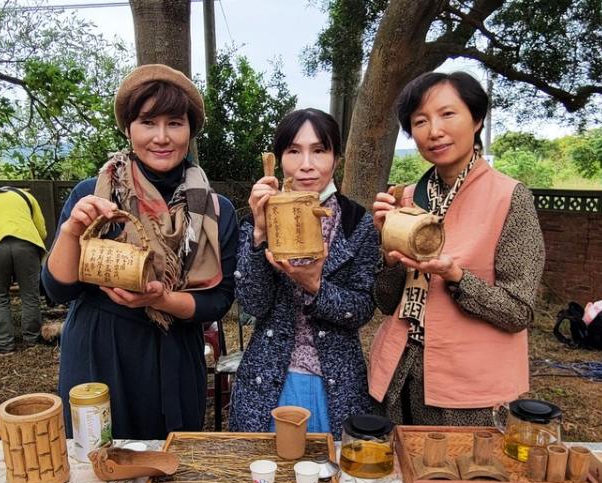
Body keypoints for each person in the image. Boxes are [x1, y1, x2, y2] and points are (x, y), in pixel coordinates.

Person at [41, 64, 237, 439]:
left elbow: (218, 300)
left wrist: (163, 300)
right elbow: (57, 289)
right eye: (148, 122)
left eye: (175, 123)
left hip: (176, 353)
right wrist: (71, 231)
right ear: (128, 128)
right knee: (98, 466)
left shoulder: (215, 211)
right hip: (100, 352)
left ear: (191, 130)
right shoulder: (93, 196)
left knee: (169, 470)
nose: (161, 137)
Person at [368, 71, 545, 426]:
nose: (434, 131)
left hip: (468, 391)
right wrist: (390, 259)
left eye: (448, 114)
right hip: (398, 375)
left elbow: (518, 312)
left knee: (455, 477)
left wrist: (456, 276)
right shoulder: (406, 198)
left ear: (477, 119)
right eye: (420, 121)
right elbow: (387, 303)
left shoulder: (509, 197)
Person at [230, 108, 379, 438]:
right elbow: (253, 304)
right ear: (280, 158)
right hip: (269, 378)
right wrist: (258, 231)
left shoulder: (358, 223)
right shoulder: (261, 216)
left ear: (336, 160)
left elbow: (363, 308)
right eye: (294, 151)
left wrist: (315, 286)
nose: (306, 164)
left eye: (319, 150)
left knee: (331, 480)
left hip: (337, 383)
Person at [0, 186, 47, 355]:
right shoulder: (26, 196)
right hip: (26, 246)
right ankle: (32, 340)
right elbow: (41, 230)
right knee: (30, 295)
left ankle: (4, 345)